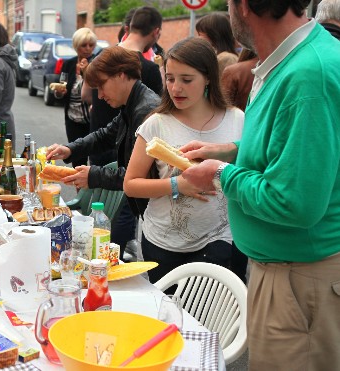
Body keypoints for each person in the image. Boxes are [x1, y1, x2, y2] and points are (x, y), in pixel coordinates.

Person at [181, 0, 340, 368]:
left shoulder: (307, 74)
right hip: (293, 277)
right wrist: (233, 150)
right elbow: (294, 151)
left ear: (247, 5)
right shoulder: (294, 58)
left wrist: (220, 173)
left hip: (299, 282)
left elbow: (294, 202)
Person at [123, 38, 244, 283]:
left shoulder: (237, 119)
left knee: (212, 318)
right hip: (164, 242)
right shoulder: (156, 123)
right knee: (171, 316)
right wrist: (179, 185)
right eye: (170, 78)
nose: (176, 88)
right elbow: (131, 184)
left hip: (221, 237)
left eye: (186, 80)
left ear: (208, 77)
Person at [46, 46, 160, 259]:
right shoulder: (133, 103)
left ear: (121, 74)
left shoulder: (145, 110)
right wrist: (70, 149)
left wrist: (93, 175)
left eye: (102, 86)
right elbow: (106, 134)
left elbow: (136, 175)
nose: (100, 95)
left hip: (158, 215)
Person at [85, 6, 164, 169]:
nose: (100, 95)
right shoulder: (150, 69)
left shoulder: (100, 55)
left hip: (115, 158)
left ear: (129, 27)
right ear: (156, 32)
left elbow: (85, 95)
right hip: (114, 153)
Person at [52, 28, 97, 167]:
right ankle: (81, 189)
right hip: (73, 119)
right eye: (84, 45)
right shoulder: (69, 64)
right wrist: (59, 92)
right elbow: (61, 87)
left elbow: (97, 89)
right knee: (77, 161)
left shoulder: (96, 63)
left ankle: (92, 188)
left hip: (93, 119)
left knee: (95, 160)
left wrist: (85, 72)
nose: (88, 49)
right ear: (76, 46)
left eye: (91, 45)